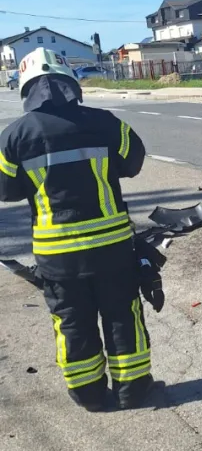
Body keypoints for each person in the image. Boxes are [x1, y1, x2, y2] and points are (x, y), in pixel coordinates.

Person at [0, 48, 154, 410]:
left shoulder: (13, 137)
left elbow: (5, 191)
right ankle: (132, 389)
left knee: (71, 320)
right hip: (112, 247)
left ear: (26, 89)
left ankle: (88, 394)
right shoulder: (106, 122)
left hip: (57, 255)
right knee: (122, 314)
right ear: (71, 82)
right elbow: (133, 162)